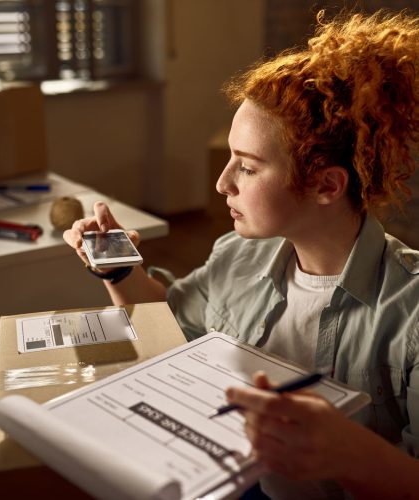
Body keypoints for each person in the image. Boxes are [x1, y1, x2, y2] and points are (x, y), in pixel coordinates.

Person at [64, 9, 419, 499]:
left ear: (325, 185)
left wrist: (350, 451)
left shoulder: (411, 313)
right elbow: (170, 324)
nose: (221, 182)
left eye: (247, 168)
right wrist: (119, 266)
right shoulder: (238, 255)